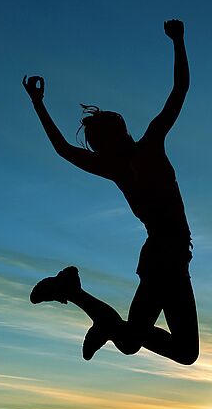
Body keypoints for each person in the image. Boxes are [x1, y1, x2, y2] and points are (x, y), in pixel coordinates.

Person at [23, 19, 198, 366]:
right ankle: (77, 295)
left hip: (169, 254)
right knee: (160, 345)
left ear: (117, 135)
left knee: (150, 344)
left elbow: (179, 92)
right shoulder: (127, 160)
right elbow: (179, 91)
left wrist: (178, 42)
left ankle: (77, 296)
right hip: (166, 254)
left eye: (98, 144)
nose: (97, 151)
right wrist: (37, 104)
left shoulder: (136, 155)